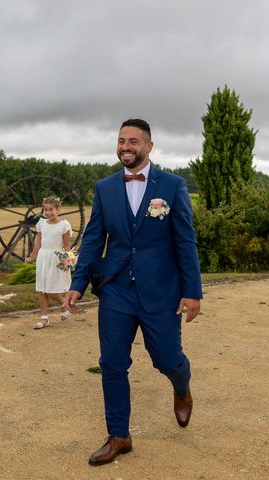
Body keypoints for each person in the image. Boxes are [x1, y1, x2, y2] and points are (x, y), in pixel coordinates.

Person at [64, 119, 202, 466]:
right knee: (111, 363)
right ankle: (119, 436)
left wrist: (192, 291)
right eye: (121, 140)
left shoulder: (172, 186)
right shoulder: (105, 187)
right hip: (116, 291)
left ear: (149, 147)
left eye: (133, 141)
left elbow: (185, 241)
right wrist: (77, 285)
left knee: (167, 359)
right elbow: (95, 238)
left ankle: (181, 385)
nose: (126, 146)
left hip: (162, 291)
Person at [25, 196, 72, 329]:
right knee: (42, 289)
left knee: (51, 289)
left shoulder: (64, 225)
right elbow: (38, 242)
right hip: (43, 257)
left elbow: (67, 245)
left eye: (51, 209)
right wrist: (32, 256)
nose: (48, 212)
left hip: (56, 257)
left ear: (58, 209)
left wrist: (67, 262)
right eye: (45, 210)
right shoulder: (41, 224)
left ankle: (63, 304)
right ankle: (44, 318)